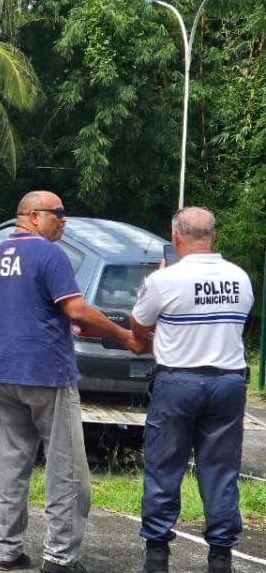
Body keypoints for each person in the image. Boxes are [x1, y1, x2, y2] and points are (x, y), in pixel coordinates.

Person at [0, 190, 146, 573]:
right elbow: (76, 309)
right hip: (46, 374)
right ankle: (60, 558)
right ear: (31, 216)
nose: (63, 220)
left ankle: (6, 551)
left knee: (12, 466)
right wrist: (126, 337)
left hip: (4, 375)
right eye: (56, 214)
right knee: (67, 470)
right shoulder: (49, 255)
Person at [130, 207, 253, 573]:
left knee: (164, 467)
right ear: (213, 237)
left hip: (178, 382)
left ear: (175, 238)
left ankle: (157, 556)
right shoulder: (240, 278)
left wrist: (154, 284)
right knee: (220, 470)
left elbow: (138, 326)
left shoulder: (165, 280)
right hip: (229, 383)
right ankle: (220, 558)